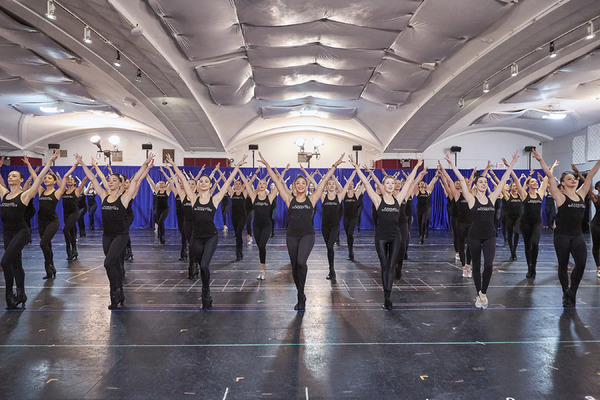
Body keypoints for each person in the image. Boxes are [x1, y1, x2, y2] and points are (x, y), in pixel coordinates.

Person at [259, 152, 344, 311]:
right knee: (294, 266)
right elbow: (277, 182)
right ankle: (300, 292)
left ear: (306, 187)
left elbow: (324, 180)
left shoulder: (312, 199)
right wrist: (267, 165)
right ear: (294, 186)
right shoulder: (288, 199)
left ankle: (300, 295)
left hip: (307, 235)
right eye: (297, 183)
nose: (300, 185)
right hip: (291, 235)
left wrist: (335, 165)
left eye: (303, 183)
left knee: (300, 262)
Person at [166, 154, 246, 310]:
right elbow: (182, 178)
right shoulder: (193, 198)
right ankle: (205, 290)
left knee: (203, 266)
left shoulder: (215, 199)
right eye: (201, 181)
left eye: (206, 181)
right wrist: (173, 165)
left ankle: (206, 292)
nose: (203, 183)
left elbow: (228, 182)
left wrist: (237, 166)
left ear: (210, 185)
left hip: (211, 237)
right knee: (199, 265)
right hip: (196, 237)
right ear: (197, 185)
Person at [75, 152, 154, 309]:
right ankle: (119, 293)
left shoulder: (125, 198)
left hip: (121, 235)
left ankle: (114, 293)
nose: (110, 182)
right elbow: (92, 179)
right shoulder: (104, 195)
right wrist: (82, 163)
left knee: (108, 263)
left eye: (114, 180)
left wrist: (145, 163)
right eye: (109, 180)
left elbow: (136, 179)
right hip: (107, 236)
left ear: (120, 184)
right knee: (115, 265)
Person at [446, 149, 519, 309]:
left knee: (488, 266)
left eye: (485, 182)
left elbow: (503, 181)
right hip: (474, 236)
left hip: (490, 235)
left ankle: (483, 293)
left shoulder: (492, 198)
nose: (484, 183)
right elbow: (461, 180)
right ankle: (479, 292)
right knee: (477, 265)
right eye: (481, 182)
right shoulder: (471, 199)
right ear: (476, 185)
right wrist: (451, 164)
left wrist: (512, 164)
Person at [349, 154, 423, 310]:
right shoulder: (377, 199)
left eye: (392, 183)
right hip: (381, 237)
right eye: (387, 183)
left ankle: (388, 296)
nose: (390, 185)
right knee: (384, 265)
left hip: (396, 236)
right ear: (383, 186)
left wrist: (416, 167)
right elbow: (365, 183)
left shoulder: (399, 198)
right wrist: (357, 167)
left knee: (391, 265)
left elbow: (409, 181)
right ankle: (386, 295)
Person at [533, 149, 600, 306]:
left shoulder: (581, 194)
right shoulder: (560, 196)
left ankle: (572, 291)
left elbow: (590, 176)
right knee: (563, 265)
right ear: (562, 183)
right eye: (569, 178)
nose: (574, 180)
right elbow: (550, 176)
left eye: (575, 178)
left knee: (581, 264)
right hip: (562, 236)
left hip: (577, 236)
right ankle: (565, 293)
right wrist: (540, 160)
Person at [0, 150, 59, 309]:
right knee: (16, 264)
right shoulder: (4, 194)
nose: (10, 177)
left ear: (21, 180)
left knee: (5, 261)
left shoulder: (25, 195)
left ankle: (10, 296)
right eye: (9, 175)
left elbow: (39, 178)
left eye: (14, 176)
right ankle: (22, 294)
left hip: (21, 232)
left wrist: (50, 161)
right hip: (7, 232)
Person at [27, 159, 78, 280]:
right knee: (47, 246)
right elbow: (36, 177)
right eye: (45, 179)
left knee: (43, 243)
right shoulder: (41, 191)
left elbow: (65, 176)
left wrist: (75, 165)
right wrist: (28, 164)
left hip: (52, 221)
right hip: (41, 221)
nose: (46, 180)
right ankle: (50, 269)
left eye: (49, 179)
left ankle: (49, 266)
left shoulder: (58, 192)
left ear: (55, 182)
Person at [510, 162, 557, 279]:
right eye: (532, 182)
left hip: (537, 223)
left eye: (536, 182)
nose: (535, 183)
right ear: (528, 184)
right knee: (527, 246)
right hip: (525, 223)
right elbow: (516, 179)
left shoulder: (540, 193)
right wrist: (509, 167)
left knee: (535, 244)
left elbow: (546, 178)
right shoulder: (524, 194)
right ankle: (529, 268)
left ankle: (534, 267)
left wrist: (553, 167)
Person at [237, 173, 278, 280]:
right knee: (260, 247)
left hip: (266, 225)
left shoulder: (269, 197)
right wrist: (239, 170)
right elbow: (246, 183)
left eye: (264, 183)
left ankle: (263, 270)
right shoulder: (254, 197)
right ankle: (262, 269)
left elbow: (278, 185)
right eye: (260, 183)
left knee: (262, 246)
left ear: (266, 185)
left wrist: (279, 174)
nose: (262, 184)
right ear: (258, 185)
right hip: (256, 226)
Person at [319, 172, 355, 280]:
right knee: (329, 248)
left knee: (330, 246)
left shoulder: (339, 197)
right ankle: (331, 270)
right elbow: (315, 184)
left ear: (335, 186)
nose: (331, 185)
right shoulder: (323, 196)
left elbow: (348, 182)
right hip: (324, 227)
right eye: (329, 184)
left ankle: (332, 270)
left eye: (333, 184)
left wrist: (354, 171)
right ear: (326, 185)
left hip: (334, 226)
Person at [62, 174, 88, 261]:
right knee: (72, 231)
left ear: (75, 183)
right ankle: (74, 251)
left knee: (65, 230)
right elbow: (59, 181)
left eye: (71, 180)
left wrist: (89, 173)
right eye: (68, 180)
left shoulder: (77, 191)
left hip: (74, 213)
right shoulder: (64, 190)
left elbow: (84, 181)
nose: (69, 181)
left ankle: (69, 250)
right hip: (66, 214)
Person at [146, 175, 171, 244]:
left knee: (160, 221)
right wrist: (147, 176)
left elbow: (172, 182)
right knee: (160, 222)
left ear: (165, 184)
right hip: (157, 209)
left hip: (165, 209)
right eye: (160, 183)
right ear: (158, 185)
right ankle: (160, 235)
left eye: (163, 183)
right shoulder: (156, 190)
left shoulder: (167, 191)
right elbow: (151, 183)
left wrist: (176, 176)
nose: (161, 184)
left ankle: (162, 235)